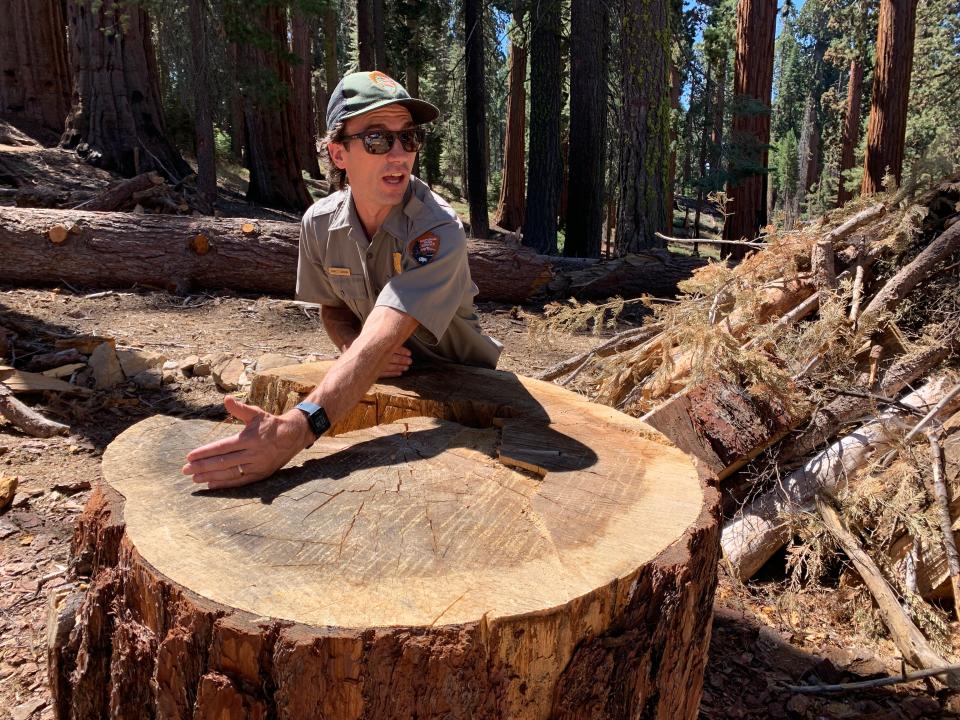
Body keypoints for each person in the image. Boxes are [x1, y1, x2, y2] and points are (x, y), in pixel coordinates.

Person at [182, 71, 502, 490]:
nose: (400, 154)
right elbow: (332, 308)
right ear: (338, 154)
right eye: (377, 139)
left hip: (469, 393)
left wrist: (296, 430)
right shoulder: (318, 223)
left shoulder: (436, 229)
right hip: (377, 384)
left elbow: (386, 330)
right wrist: (350, 345)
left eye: (408, 138)